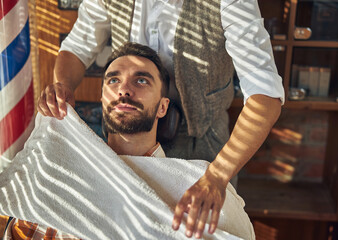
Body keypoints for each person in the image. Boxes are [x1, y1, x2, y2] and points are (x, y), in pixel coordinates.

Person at [37, 0, 285, 238]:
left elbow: (266, 96)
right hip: (127, 140)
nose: (123, 89)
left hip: (202, 144)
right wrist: (63, 85)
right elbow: (77, 47)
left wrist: (217, 176)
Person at [2, 42, 171, 240]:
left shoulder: (184, 190)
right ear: (103, 99)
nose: (123, 90)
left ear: (162, 107)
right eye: (113, 80)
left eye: (141, 81)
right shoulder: (58, 173)